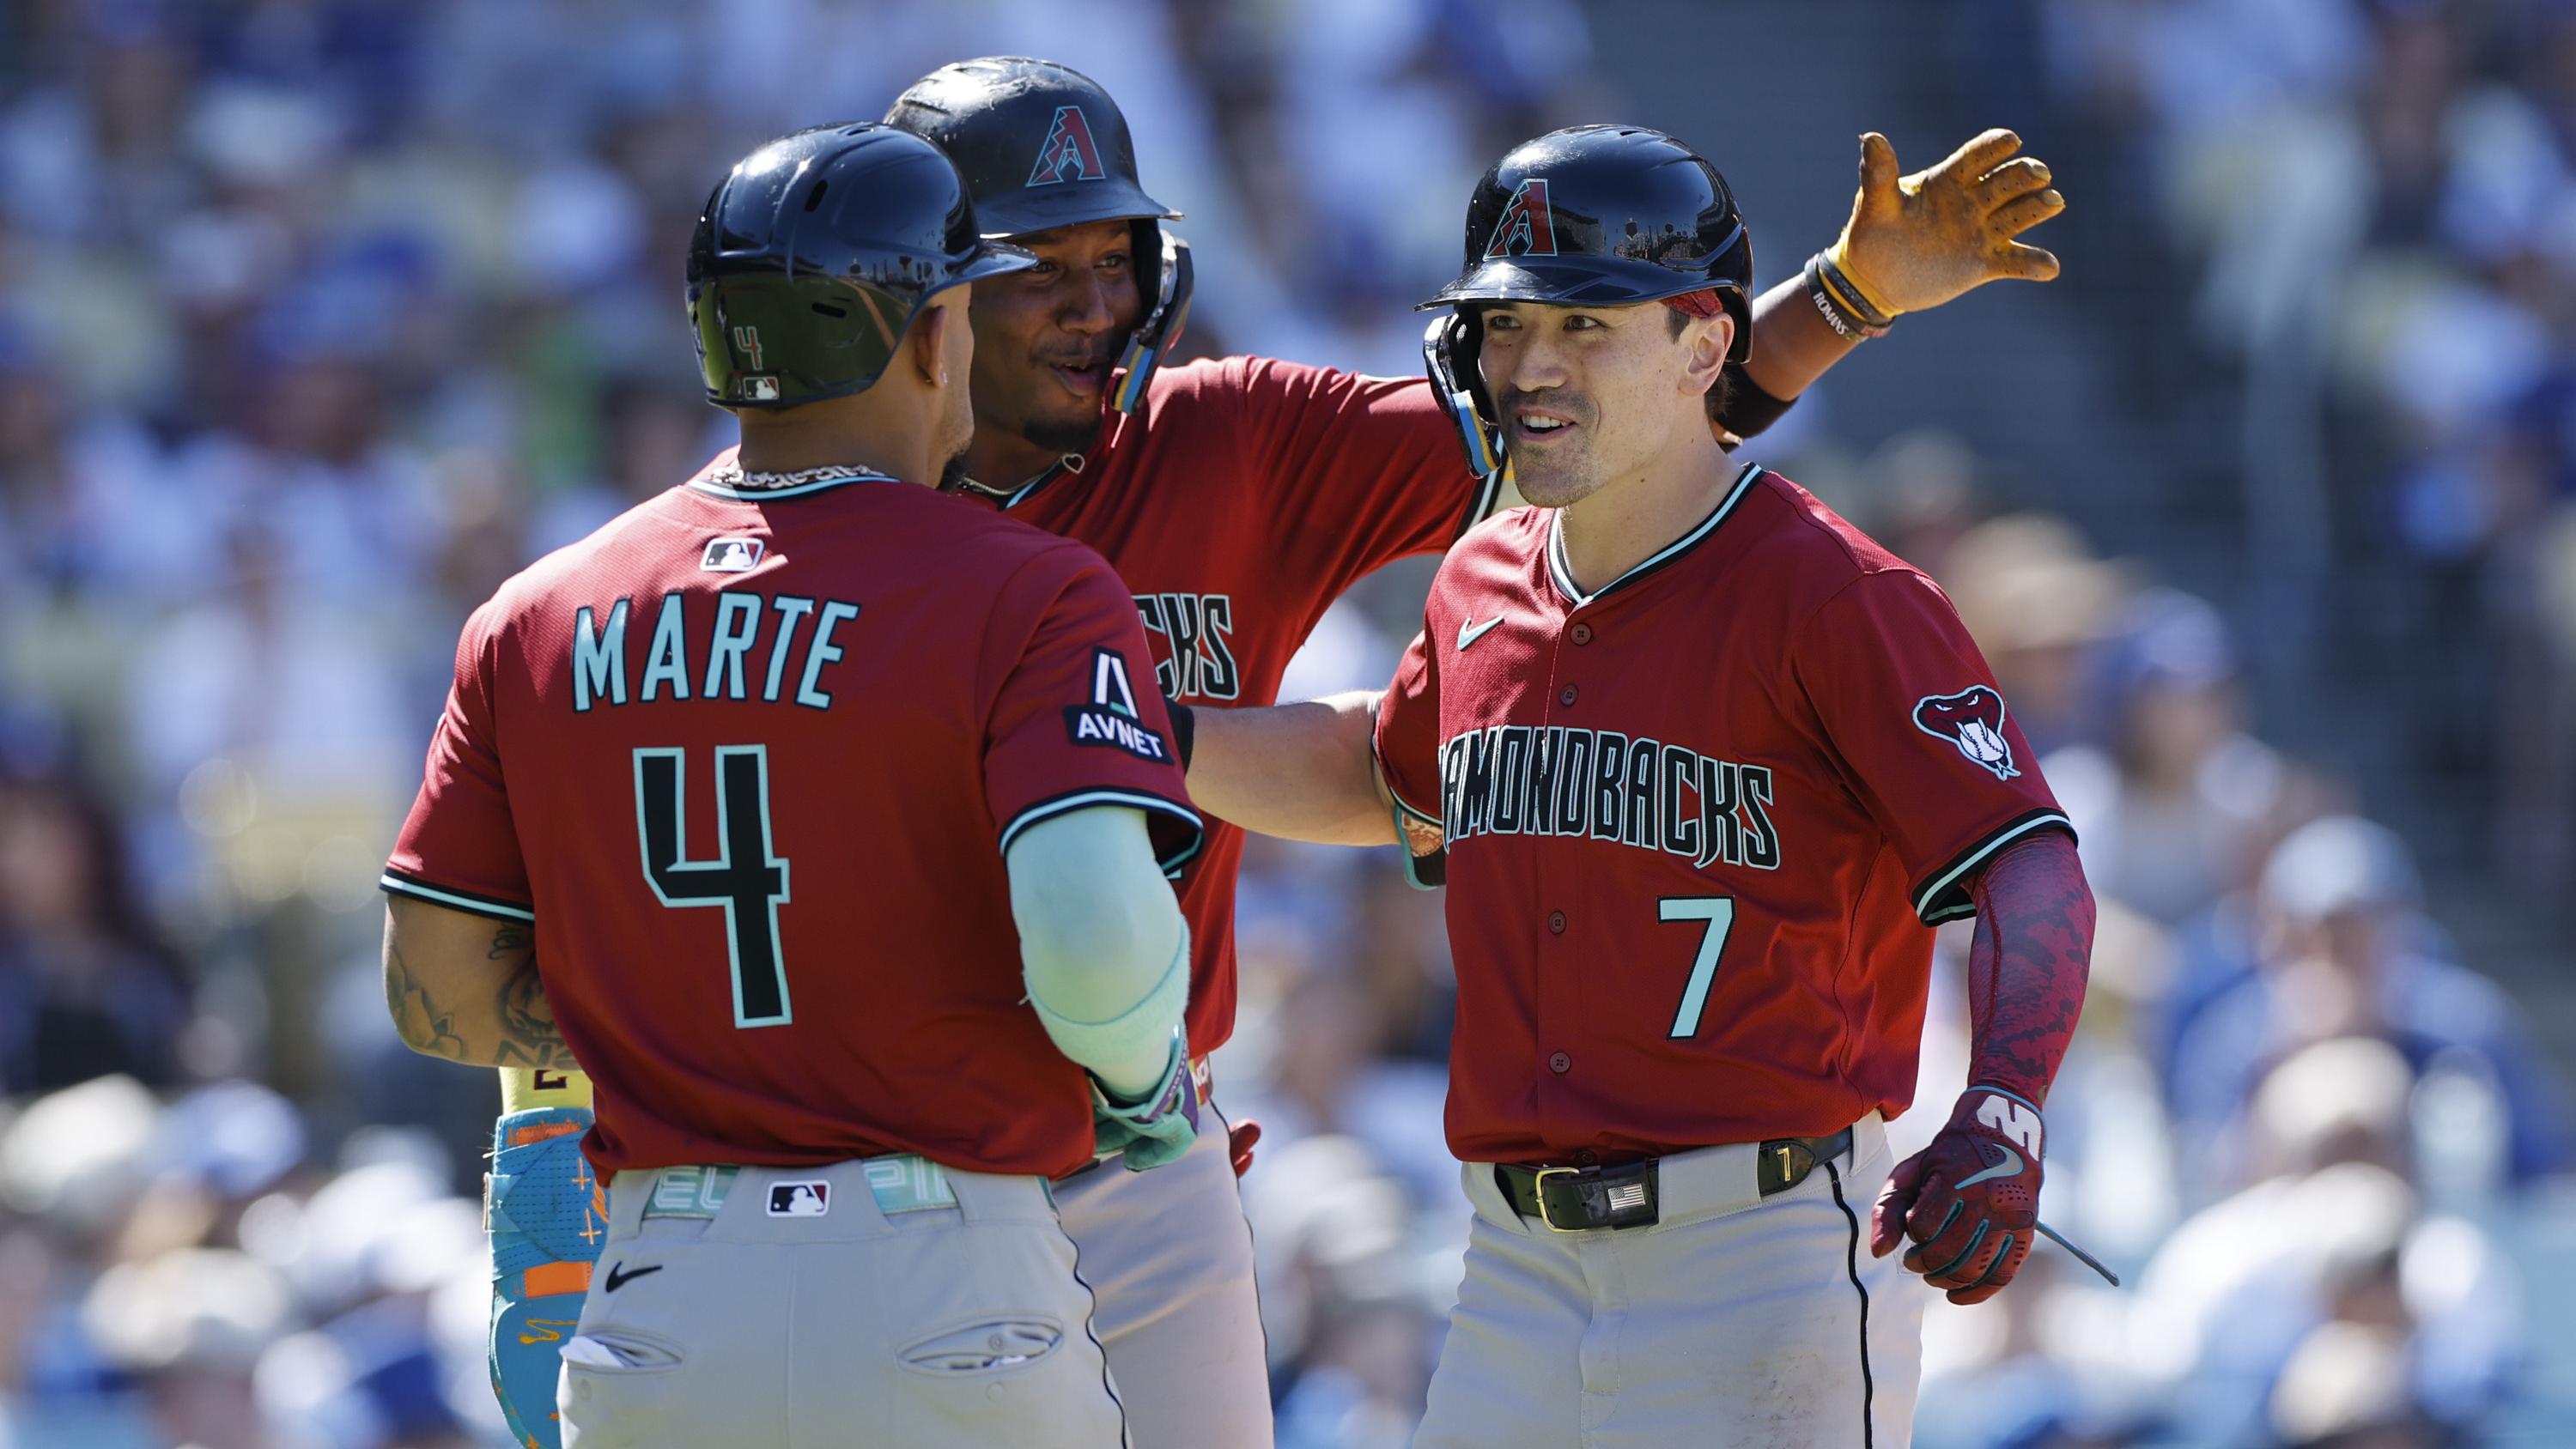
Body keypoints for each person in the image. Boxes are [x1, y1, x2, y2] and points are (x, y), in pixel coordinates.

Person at [488, 57, 2073, 1449]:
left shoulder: (1229, 440)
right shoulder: (773, 523)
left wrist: (1838, 301)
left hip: (1138, 1149)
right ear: (927, 302)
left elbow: (1591, 408)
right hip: (853, 1159)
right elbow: (632, 839)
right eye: (1046, 267)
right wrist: (544, 1103)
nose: (1099, 302)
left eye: (1119, 256)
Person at [1182, 124, 2097, 1446]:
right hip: (1513, 1267)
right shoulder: (1479, 578)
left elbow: (2026, 859)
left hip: (1762, 1255)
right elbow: (1386, 775)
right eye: (1504, 327)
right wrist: (1135, 726)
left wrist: (2003, 1102)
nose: (1530, 368)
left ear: (1705, 349)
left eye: (1584, 326)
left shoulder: (1833, 594)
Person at [381, 123, 1206, 1447]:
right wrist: (1142, 1089)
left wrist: (659, 1013)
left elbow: (435, 990)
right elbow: (1096, 952)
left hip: (659, 1294)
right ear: (931, 335)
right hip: (944, 1290)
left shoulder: (534, 613)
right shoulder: (1031, 587)